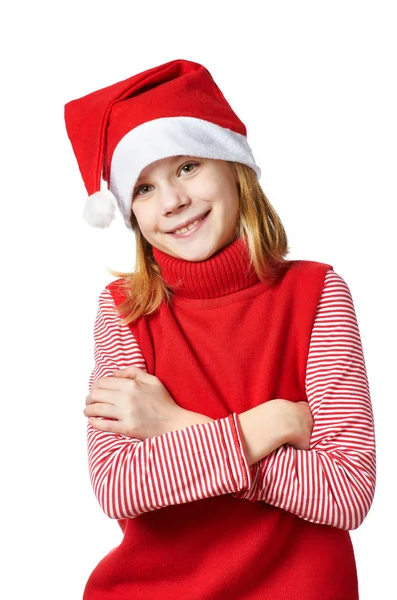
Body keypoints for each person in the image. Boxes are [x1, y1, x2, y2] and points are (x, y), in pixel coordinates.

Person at [64, 58, 376, 600]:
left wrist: (173, 424)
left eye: (187, 167)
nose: (173, 202)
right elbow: (120, 485)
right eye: (143, 188)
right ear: (131, 212)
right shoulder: (124, 310)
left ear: (233, 165)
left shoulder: (317, 295)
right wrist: (269, 423)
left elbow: (346, 489)